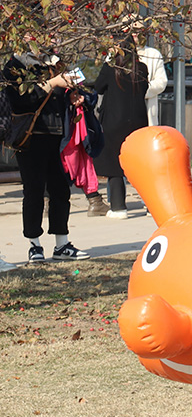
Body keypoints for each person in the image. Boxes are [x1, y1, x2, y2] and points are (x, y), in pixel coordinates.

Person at [3, 52, 90, 262]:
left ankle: (62, 244)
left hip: (57, 136)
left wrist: (74, 97)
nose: (50, 41)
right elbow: (21, 100)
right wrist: (52, 83)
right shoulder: (15, 66)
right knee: (33, 191)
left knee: (60, 190)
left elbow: (84, 90)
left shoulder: (56, 63)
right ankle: (34, 245)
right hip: (31, 137)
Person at [93, 40, 150, 219]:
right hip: (138, 122)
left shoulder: (111, 69)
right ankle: (151, 204)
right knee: (139, 166)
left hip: (113, 122)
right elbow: (144, 90)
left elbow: (98, 87)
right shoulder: (141, 68)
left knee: (114, 164)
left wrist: (108, 61)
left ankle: (118, 207)